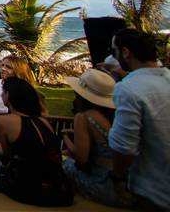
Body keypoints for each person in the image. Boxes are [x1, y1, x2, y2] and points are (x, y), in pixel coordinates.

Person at [108, 28, 170, 210]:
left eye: (115, 51)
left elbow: (124, 147)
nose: (115, 56)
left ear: (126, 52)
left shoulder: (129, 89)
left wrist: (118, 177)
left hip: (153, 191)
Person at [0, 77, 73, 206]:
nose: (1, 95)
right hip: (60, 190)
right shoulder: (43, 121)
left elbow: (7, 157)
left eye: (3, 92)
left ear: (8, 95)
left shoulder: (2, 121)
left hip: (31, 191)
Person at [60, 69, 127, 208]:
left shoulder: (84, 117)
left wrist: (65, 137)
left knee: (64, 164)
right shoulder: (115, 115)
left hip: (103, 184)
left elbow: (81, 158)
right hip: (125, 184)